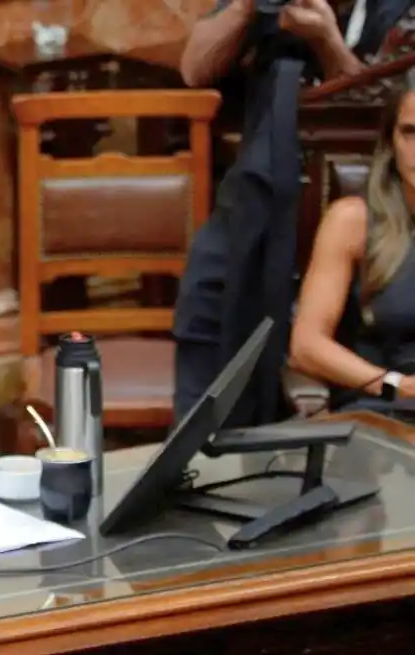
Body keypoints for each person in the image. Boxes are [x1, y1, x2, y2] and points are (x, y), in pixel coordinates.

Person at [172, 0, 410, 426]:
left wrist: (327, 42)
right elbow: (194, 70)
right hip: (253, 205)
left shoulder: (397, 11)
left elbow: (389, 108)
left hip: (373, 207)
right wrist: (247, 6)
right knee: (209, 386)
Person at [289, 72, 415, 418]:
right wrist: (395, 385)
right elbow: (306, 346)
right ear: (391, 142)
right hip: (386, 411)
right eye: (410, 133)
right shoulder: (352, 221)